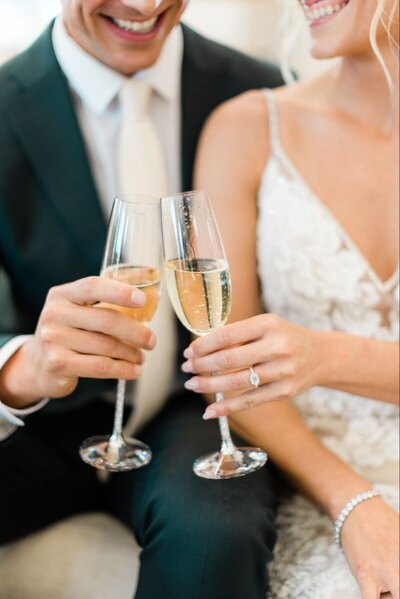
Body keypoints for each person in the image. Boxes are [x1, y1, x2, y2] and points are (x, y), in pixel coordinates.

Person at [0, 1, 286, 597]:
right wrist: (24, 370)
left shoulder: (260, 93)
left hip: (192, 415)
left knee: (213, 537)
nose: (145, 5)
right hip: (36, 429)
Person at [185, 0, 400, 596]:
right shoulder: (246, 128)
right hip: (317, 478)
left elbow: (312, 357)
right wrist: (356, 505)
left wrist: (324, 357)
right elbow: (227, 367)